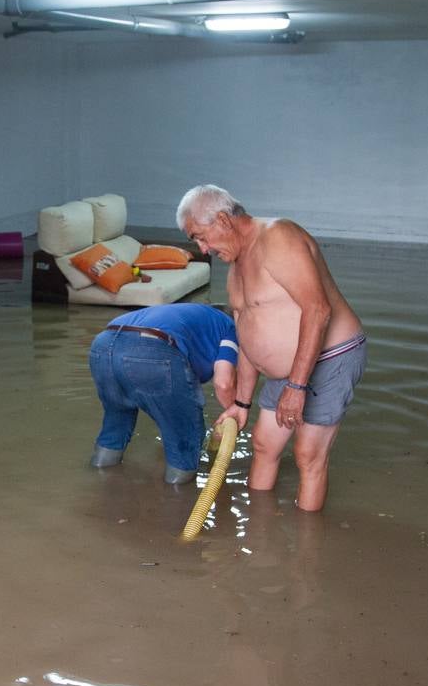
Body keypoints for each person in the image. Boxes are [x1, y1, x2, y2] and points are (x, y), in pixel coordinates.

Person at [177, 185, 364, 512]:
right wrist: (241, 402)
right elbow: (247, 336)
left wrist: (296, 386)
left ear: (222, 220)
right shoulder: (236, 266)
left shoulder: (279, 237)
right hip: (291, 372)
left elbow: (318, 310)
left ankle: (307, 551)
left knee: (308, 455)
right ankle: (258, 535)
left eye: (200, 237)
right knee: (263, 446)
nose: (202, 249)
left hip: (330, 356)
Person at [88, 303, 241, 483]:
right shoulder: (231, 327)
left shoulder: (190, 314)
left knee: (116, 422)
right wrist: (235, 412)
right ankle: (177, 500)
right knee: (185, 434)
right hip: (151, 349)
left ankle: (98, 483)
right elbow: (223, 383)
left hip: (102, 347)